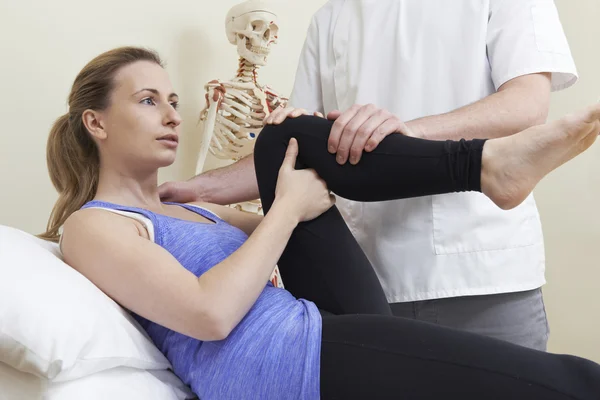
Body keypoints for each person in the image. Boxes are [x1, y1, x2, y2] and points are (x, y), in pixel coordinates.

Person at [40, 46, 600, 400]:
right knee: (560, 383)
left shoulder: (192, 208)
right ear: (96, 122)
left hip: (311, 327)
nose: (172, 115)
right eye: (147, 100)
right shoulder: (94, 225)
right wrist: (281, 209)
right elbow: (208, 315)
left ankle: (486, 167)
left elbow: (309, 216)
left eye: (173, 100)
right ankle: (486, 166)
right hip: (274, 365)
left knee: (285, 138)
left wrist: (303, 157)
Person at [159, 0, 580, 351]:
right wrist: (199, 188)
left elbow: (527, 105)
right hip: (365, 280)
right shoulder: (332, 17)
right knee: (282, 135)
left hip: (484, 271)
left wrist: (404, 134)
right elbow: (294, 151)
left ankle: (485, 169)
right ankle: (484, 168)